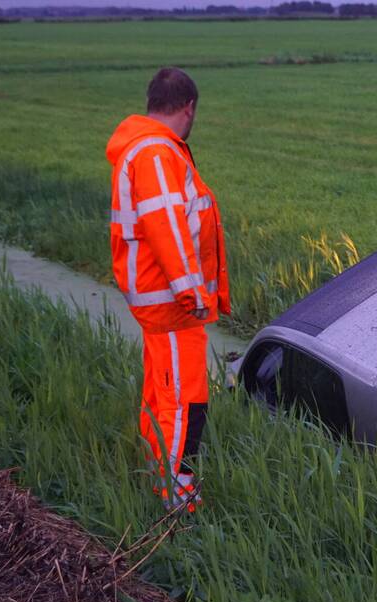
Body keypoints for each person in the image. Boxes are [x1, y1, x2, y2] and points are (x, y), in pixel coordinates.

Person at [105, 67, 231, 512]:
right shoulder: (157, 153)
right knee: (184, 401)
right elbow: (167, 228)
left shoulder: (145, 148)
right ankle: (177, 502)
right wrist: (192, 294)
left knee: (162, 394)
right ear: (189, 107)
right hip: (172, 304)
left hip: (160, 302)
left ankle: (156, 473)